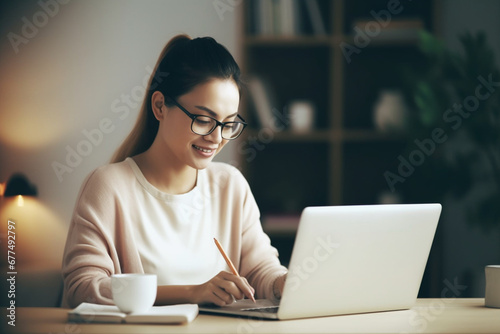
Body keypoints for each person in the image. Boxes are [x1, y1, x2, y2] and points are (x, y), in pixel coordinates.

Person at [61, 34, 288, 308]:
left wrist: (283, 283)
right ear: (159, 106)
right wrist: (192, 293)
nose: (217, 138)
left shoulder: (231, 186)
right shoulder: (109, 187)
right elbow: (82, 289)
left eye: (228, 124)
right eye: (203, 120)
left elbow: (260, 270)